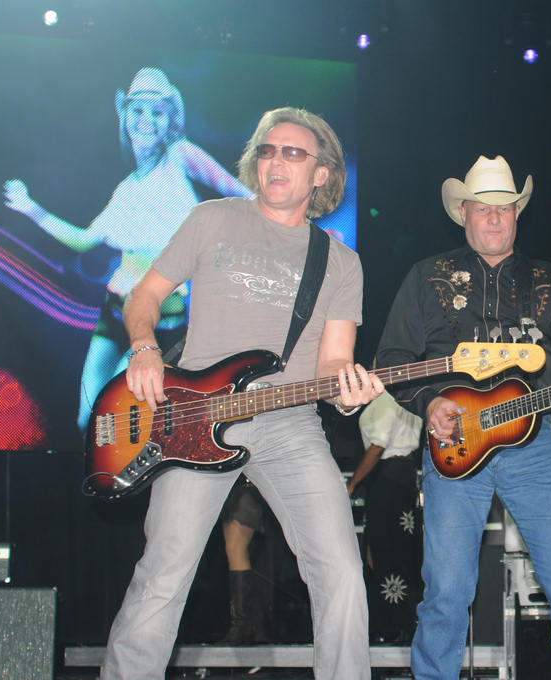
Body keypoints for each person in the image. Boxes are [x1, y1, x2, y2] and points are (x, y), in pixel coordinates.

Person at [100, 106, 384, 679]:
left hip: (291, 425)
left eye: (293, 153)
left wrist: (347, 392)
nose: (276, 161)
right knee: (163, 575)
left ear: (321, 174)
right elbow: (143, 295)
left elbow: (333, 361)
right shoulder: (212, 219)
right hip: (196, 418)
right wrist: (144, 347)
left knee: (341, 573)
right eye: (268, 150)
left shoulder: (340, 262)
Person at [375, 155, 551, 679]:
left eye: (505, 208)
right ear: (463, 214)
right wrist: (429, 403)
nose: (494, 218)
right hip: (454, 443)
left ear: (518, 214)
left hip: (533, 443)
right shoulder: (427, 277)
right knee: (447, 588)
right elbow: (392, 360)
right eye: (483, 208)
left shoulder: (550, 280)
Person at [2, 67, 251, 431]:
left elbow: (239, 192)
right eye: (138, 110)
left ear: (170, 119)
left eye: (157, 111)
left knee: (117, 416)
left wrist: (292, 227)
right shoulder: (126, 190)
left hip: (159, 318)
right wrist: (30, 208)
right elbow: (85, 240)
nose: (146, 120)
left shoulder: (180, 155)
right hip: (114, 312)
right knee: (87, 419)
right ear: (125, 115)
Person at [350, 389, 424, 643]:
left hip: (388, 478)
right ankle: (403, 622)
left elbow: (378, 445)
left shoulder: (386, 399)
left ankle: (392, 625)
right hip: (404, 475)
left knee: (384, 550)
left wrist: (352, 483)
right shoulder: (410, 396)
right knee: (401, 551)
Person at [217, 475, 266, 645]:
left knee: (235, 549)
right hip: (228, 486)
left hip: (246, 487)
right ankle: (242, 625)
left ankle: (242, 625)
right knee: (232, 552)